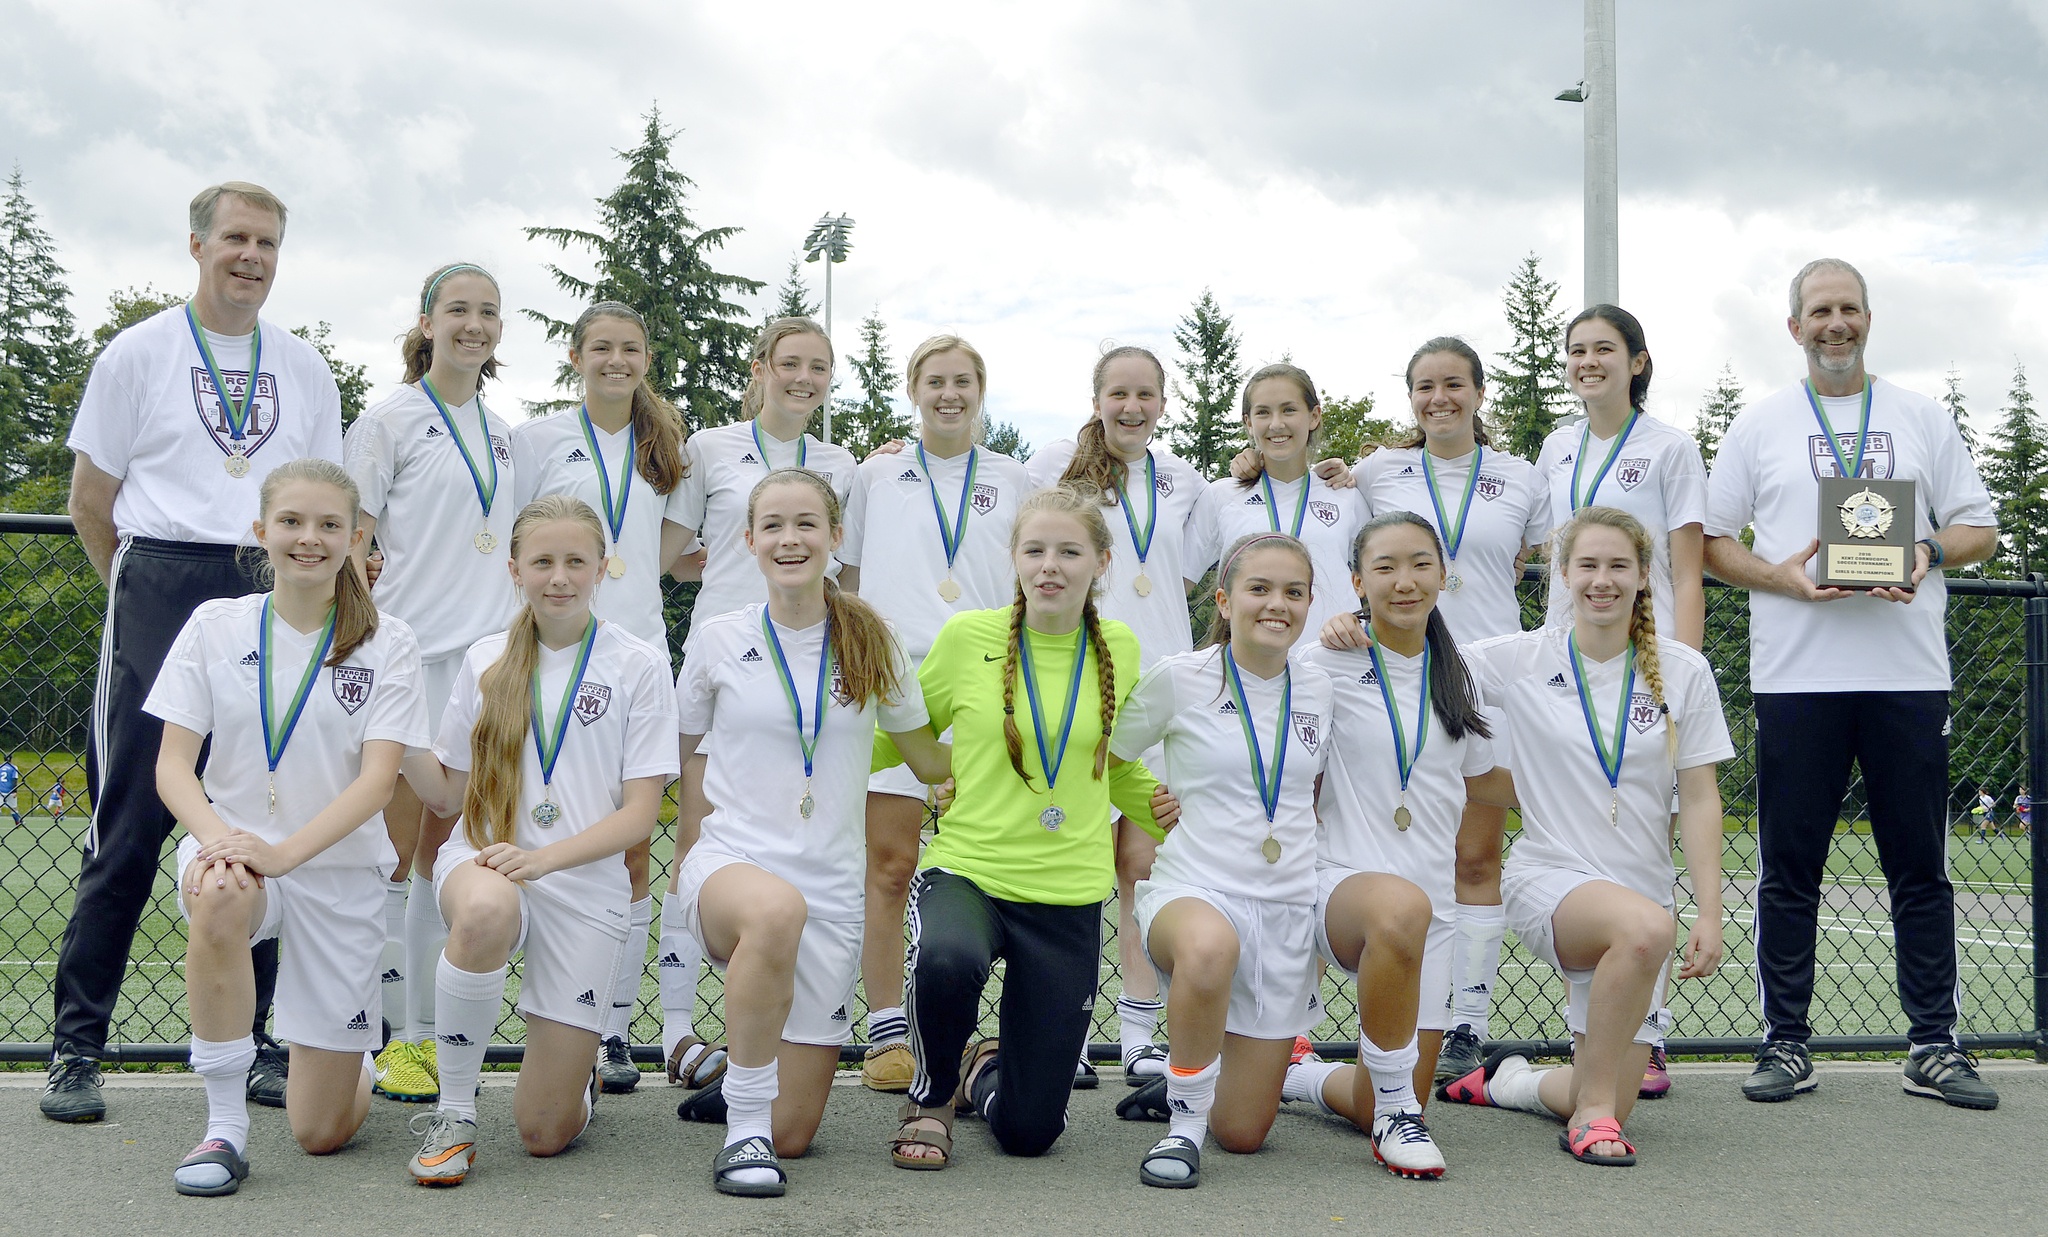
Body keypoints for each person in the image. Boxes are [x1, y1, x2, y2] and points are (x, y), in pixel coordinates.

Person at [54, 181, 343, 1123]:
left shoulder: (304, 369)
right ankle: (77, 1046)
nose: (250, 256)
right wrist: (135, 600)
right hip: (159, 584)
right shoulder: (136, 352)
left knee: (259, 808)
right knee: (130, 821)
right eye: (235, 239)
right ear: (196, 244)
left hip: (268, 582)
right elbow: (90, 502)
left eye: (267, 242)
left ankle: (259, 1041)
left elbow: (322, 499)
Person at [1703, 258, 2002, 1110]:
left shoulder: (1919, 416)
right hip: (1798, 678)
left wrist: (1928, 550)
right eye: (1819, 311)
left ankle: (1934, 1043)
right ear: (1793, 327)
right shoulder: (1760, 424)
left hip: (1907, 675)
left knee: (1921, 865)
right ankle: (1785, 1041)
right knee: (1790, 865)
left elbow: (1978, 526)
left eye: (1849, 309)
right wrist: (1783, 577)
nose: (1835, 324)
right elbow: (1715, 542)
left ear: (1868, 319)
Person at [147, 459, 430, 1195]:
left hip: (336, 872)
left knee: (321, 1131)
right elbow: (174, 766)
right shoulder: (216, 626)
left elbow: (377, 782)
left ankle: (349, 1057)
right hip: (236, 852)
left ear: (355, 536)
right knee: (217, 894)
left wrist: (284, 853)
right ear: (261, 533)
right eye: (294, 522)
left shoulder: (389, 641)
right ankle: (222, 1126)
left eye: (330, 524)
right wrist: (219, 841)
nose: (310, 538)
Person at [673, 469, 949, 1195]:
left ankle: (749, 1089)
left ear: (835, 536)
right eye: (773, 525)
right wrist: (683, 850)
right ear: (750, 540)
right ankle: (742, 1135)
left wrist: (1037, 745)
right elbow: (680, 753)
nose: (790, 539)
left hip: (829, 890)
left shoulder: (873, 640)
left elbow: (927, 757)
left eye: (806, 524)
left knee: (793, 1134)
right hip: (734, 865)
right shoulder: (718, 637)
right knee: (773, 910)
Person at [886, 484, 1177, 1168]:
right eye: (1035, 549)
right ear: (1014, 558)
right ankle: (929, 1098)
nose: (1051, 565)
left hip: (1066, 891)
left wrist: (1157, 806)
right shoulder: (968, 638)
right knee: (948, 958)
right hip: (971, 869)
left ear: (1101, 561)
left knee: (1030, 1135)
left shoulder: (1122, 648)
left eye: (1069, 551)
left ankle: (981, 1072)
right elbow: (902, 730)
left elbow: (1117, 764)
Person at [1438, 507, 1732, 1167]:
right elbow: (1418, 658)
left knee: (1607, 1086)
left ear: (1643, 577)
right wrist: (1353, 626)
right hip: (1550, 879)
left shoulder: (1683, 671)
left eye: (1618, 566)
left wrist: (1709, 911)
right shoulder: (1520, 659)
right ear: (1564, 574)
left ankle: (1507, 1080)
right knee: (1643, 930)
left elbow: (1701, 796)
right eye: (1588, 565)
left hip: (1644, 896)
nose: (1602, 580)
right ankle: (1592, 1118)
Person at [398, 496, 678, 1186]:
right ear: (515, 570)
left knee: (544, 1133)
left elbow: (640, 814)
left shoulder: (638, 663)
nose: (559, 576)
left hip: (581, 879)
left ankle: (573, 1078)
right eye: (543, 561)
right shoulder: (485, 659)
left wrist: (544, 857)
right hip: (487, 862)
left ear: (602, 567)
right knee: (490, 906)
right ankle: (455, 1113)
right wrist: (396, 722)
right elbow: (448, 795)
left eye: (575, 561)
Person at [1332, 338, 1550, 1087]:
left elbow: (1554, 549)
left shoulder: (1523, 476)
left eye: (1454, 384)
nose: (1440, 399)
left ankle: (1468, 1022)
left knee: (1474, 856)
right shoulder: (1377, 472)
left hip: (1486, 677)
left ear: (1480, 392)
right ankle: (1341, 1019)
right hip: (1400, 664)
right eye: (1424, 387)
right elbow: (1323, 503)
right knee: (1394, 845)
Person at [658, 316, 858, 1091]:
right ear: (761, 368)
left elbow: (854, 565)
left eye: (818, 367)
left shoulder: (841, 462)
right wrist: (742, 564)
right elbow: (672, 558)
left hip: (806, 679)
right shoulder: (710, 447)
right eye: (790, 364)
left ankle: (765, 1051)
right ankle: (678, 1030)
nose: (803, 378)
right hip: (729, 668)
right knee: (695, 838)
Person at [1282, 512, 1512, 1180]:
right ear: (1357, 580)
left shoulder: (1463, 676)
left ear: (1444, 574)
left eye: (1420, 564)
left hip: (1429, 915)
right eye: (1384, 567)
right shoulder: (1323, 661)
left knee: (1379, 1095)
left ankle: (1297, 1079)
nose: (1404, 581)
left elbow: (1487, 781)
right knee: (1394, 1103)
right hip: (1338, 890)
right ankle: (1393, 1122)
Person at [1105, 533, 1332, 1189]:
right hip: (1195, 890)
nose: (1277, 604)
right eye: (1259, 588)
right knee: (1208, 949)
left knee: (1242, 1133)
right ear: (1226, 599)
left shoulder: (1321, 685)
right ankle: (1181, 1124)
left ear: (1311, 602)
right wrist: (1149, 802)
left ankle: (1192, 1077)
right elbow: (1108, 753)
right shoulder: (1182, 676)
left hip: (1285, 907)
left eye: (1293, 591)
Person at [345, 262, 520, 1106]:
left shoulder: (507, 433)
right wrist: (358, 652)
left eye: (488, 312)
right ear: (425, 321)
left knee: (444, 854)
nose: (473, 325)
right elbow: (352, 541)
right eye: (458, 309)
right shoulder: (387, 422)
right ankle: (384, 1037)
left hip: (485, 670)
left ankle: (427, 1030)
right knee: (393, 853)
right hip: (409, 661)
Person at [836, 336, 1031, 1092]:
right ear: (912, 388)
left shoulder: (1015, 478)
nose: (949, 394)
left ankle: (970, 1033)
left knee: (988, 869)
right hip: (891, 685)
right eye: (935, 382)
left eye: (962, 382)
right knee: (888, 863)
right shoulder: (875, 475)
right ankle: (888, 1029)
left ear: (981, 390)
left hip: (986, 691)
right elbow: (849, 583)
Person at [511, 301, 696, 1094]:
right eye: (602, 348)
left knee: (629, 847)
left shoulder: (667, 447)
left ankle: (613, 1030)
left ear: (645, 359)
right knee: (540, 831)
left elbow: (674, 554)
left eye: (630, 349)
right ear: (576, 355)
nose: (616, 361)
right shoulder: (537, 439)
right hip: (547, 656)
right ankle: (546, 1028)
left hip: (637, 659)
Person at [1532, 303, 1707, 1099]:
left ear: (1637, 361)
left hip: (1647, 665)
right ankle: (1586, 1033)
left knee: (1645, 836)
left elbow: (1688, 568)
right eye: (1576, 350)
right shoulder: (1557, 445)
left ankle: (1652, 1032)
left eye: (1604, 348)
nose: (1588, 361)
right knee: (1573, 830)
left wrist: (1682, 673)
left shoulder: (1671, 447)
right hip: (1571, 660)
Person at [1028, 347, 1207, 1084]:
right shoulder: (1053, 462)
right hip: (1079, 675)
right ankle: (1063, 1032)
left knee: (1144, 859)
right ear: (1097, 398)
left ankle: (1138, 1035)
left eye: (1146, 395)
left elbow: (1185, 574)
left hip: (1162, 682)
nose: (1131, 407)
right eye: (1118, 394)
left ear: (1164, 402)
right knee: (1074, 860)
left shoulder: (1186, 480)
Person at [1190, 364, 1368, 638]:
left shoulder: (1343, 491)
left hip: (1335, 660)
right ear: (1248, 422)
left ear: (1314, 416)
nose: (1276, 424)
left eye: (1288, 409)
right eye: (1263, 412)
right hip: (1250, 664)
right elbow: (1178, 582)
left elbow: (1378, 578)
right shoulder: (1222, 495)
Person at [0, 754, 21, 827]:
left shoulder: (0, 767)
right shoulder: (14, 767)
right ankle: (18, 822)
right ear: (11, 759)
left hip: (0, 790)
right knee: (13, 808)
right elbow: (14, 779)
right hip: (10, 791)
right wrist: (15, 791)